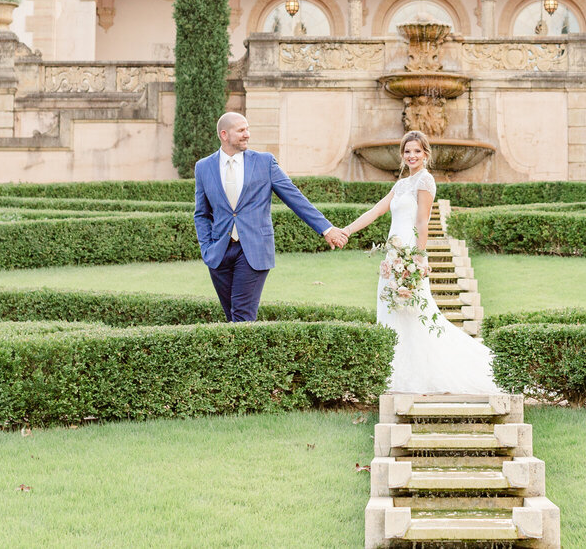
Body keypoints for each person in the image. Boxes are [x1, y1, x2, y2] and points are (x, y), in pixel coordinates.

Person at [337, 130, 499, 394]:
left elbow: (422, 222)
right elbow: (376, 211)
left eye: (416, 151)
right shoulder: (401, 185)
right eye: (407, 151)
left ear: (426, 154)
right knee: (390, 310)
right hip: (393, 256)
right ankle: (395, 373)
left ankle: (419, 374)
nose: (411, 155)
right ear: (402, 155)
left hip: (409, 256)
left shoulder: (425, 181)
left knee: (416, 313)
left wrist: (417, 258)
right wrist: (346, 230)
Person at [193, 111, 348, 322]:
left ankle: (244, 354)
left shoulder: (264, 162)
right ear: (224, 135)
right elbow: (201, 214)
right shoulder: (203, 167)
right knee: (231, 315)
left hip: (254, 250)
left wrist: (326, 229)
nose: (247, 134)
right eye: (241, 130)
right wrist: (206, 247)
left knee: (242, 315)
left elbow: (294, 197)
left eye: (248, 129)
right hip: (219, 252)